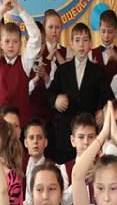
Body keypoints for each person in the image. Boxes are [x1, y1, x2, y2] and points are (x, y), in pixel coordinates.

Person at [47, 22, 113, 163]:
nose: (81, 45)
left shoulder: (98, 71)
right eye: (77, 40)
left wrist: (104, 111)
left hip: (89, 136)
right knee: (67, 171)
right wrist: (55, 100)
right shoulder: (62, 70)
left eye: (85, 40)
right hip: (66, 135)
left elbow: (109, 98)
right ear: (71, 44)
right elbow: (48, 94)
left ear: (90, 44)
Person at [0, 0, 41, 121]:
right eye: (7, 41)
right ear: (0, 43)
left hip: (20, 124)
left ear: (20, 44)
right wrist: (1, 11)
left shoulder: (25, 62)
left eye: (15, 41)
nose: (11, 45)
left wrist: (19, 9)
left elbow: (36, 36)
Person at [90, 9, 117, 83]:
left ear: (115, 31)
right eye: (103, 31)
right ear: (99, 29)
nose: (106, 36)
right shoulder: (90, 54)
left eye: (110, 32)